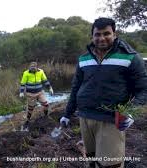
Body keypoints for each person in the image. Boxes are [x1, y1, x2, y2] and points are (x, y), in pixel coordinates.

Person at [60, 18, 147, 168]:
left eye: (106, 33)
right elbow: (75, 88)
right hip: (85, 117)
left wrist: (131, 112)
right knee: (92, 159)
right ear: (92, 36)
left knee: (110, 164)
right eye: (97, 34)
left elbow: (143, 89)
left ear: (115, 34)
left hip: (111, 120)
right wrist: (67, 114)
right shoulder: (83, 59)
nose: (101, 38)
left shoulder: (130, 57)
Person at [20, 62, 54, 130]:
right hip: (30, 94)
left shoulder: (41, 72)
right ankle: (28, 120)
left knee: (46, 104)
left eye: (34, 68)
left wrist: (50, 88)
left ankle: (46, 116)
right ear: (29, 67)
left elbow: (45, 81)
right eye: (31, 68)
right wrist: (21, 92)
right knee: (30, 108)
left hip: (40, 92)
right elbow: (23, 83)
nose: (33, 69)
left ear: (37, 67)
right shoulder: (26, 73)